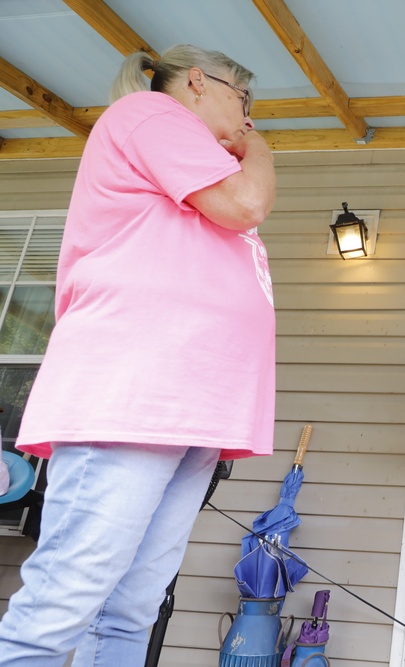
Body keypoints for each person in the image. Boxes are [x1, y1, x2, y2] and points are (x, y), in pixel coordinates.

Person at [0, 45, 277, 666]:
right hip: (133, 395)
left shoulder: (184, 152)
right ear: (200, 82)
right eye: (244, 101)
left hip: (191, 410)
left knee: (131, 612)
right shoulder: (150, 115)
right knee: (62, 604)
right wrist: (258, 148)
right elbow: (246, 204)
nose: (248, 118)